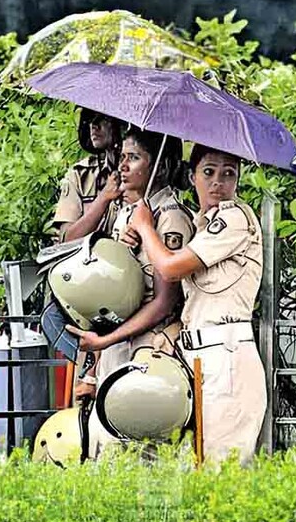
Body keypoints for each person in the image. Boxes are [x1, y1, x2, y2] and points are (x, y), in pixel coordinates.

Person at [126, 144, 266, 464]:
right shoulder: (202, 224)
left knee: (221, 474)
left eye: (228, 173)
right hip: (200, 356)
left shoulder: (233, 218)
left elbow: (170, 269)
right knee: (198, 469)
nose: (218, 182)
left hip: (226, 357)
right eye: (209, 172)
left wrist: (145, 226)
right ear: (192, 177)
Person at [66, 128, 193, 456]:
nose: (122, 166)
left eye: (133, 158)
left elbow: (166, 301)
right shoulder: (125, 214)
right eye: (122, 156)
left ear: (160, 167)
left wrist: (107, 341)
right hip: (114, 348)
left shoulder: (169, 218)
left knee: (144, 452)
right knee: (104, 451)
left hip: (150, 348)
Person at [53, 109, 124, 242]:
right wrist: (104, 197)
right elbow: (67, 240)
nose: (94, 126)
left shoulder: (145, 172)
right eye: (90, 120)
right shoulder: (81, 175)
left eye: (103, 118)